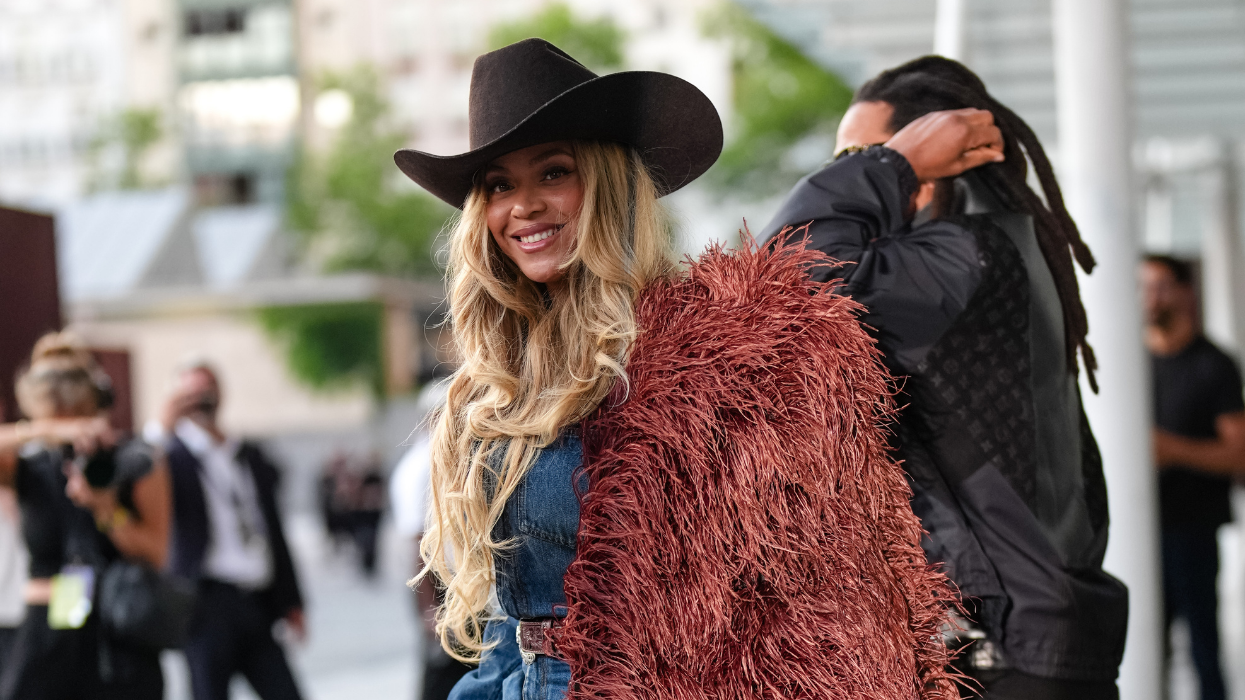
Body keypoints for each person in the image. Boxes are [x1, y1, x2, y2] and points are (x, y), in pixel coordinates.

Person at [392, 38, 990, 700]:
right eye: (499, 185)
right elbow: (518, 626)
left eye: (553, 172)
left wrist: (885, 166)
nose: (523, 206)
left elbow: (787, 602)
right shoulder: (502, 382)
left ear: (609, 186)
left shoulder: (701, 361)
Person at [759, 56, 1129, 698]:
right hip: (1033, 642)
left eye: (863, 156)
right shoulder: (989, 252)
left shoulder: (961, 262)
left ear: (931, 166)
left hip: (1009, 657)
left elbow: (779, 283)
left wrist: (891, 165)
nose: (848, 172)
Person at [0, 332, 170, 700]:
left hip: (118, 630)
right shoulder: (30, 463)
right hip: (48, 631)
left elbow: (154, 552)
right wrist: (44, 431)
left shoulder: (132, 459)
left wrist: (105, 506)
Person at [144, 361, 306, 700]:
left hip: (256, 599)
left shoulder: (245, 453)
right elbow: (138, 475)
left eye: (206, 391)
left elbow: (274, 530)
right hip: (206, 602)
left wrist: (292, 600)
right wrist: (161, 428)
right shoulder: (172, 454)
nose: (200, 401)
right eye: (189, 394)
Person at [1143, 254, 1245, 700]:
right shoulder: (1128, 364)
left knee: (1203, 647)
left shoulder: (1213, 364)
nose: (1150, 297)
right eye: (1142, 286)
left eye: (1161, 285)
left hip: (1192, 527)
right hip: (1135, 528)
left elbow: (1238, 455)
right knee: (1143, 649)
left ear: (1186, 292)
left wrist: (1172, 450)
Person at [389, 381, 471, 700]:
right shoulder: (420, 467)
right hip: (442, 587)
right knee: (443, 678)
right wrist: (430, 612)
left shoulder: (442, 458)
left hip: (459, 584)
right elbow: (418, 546)